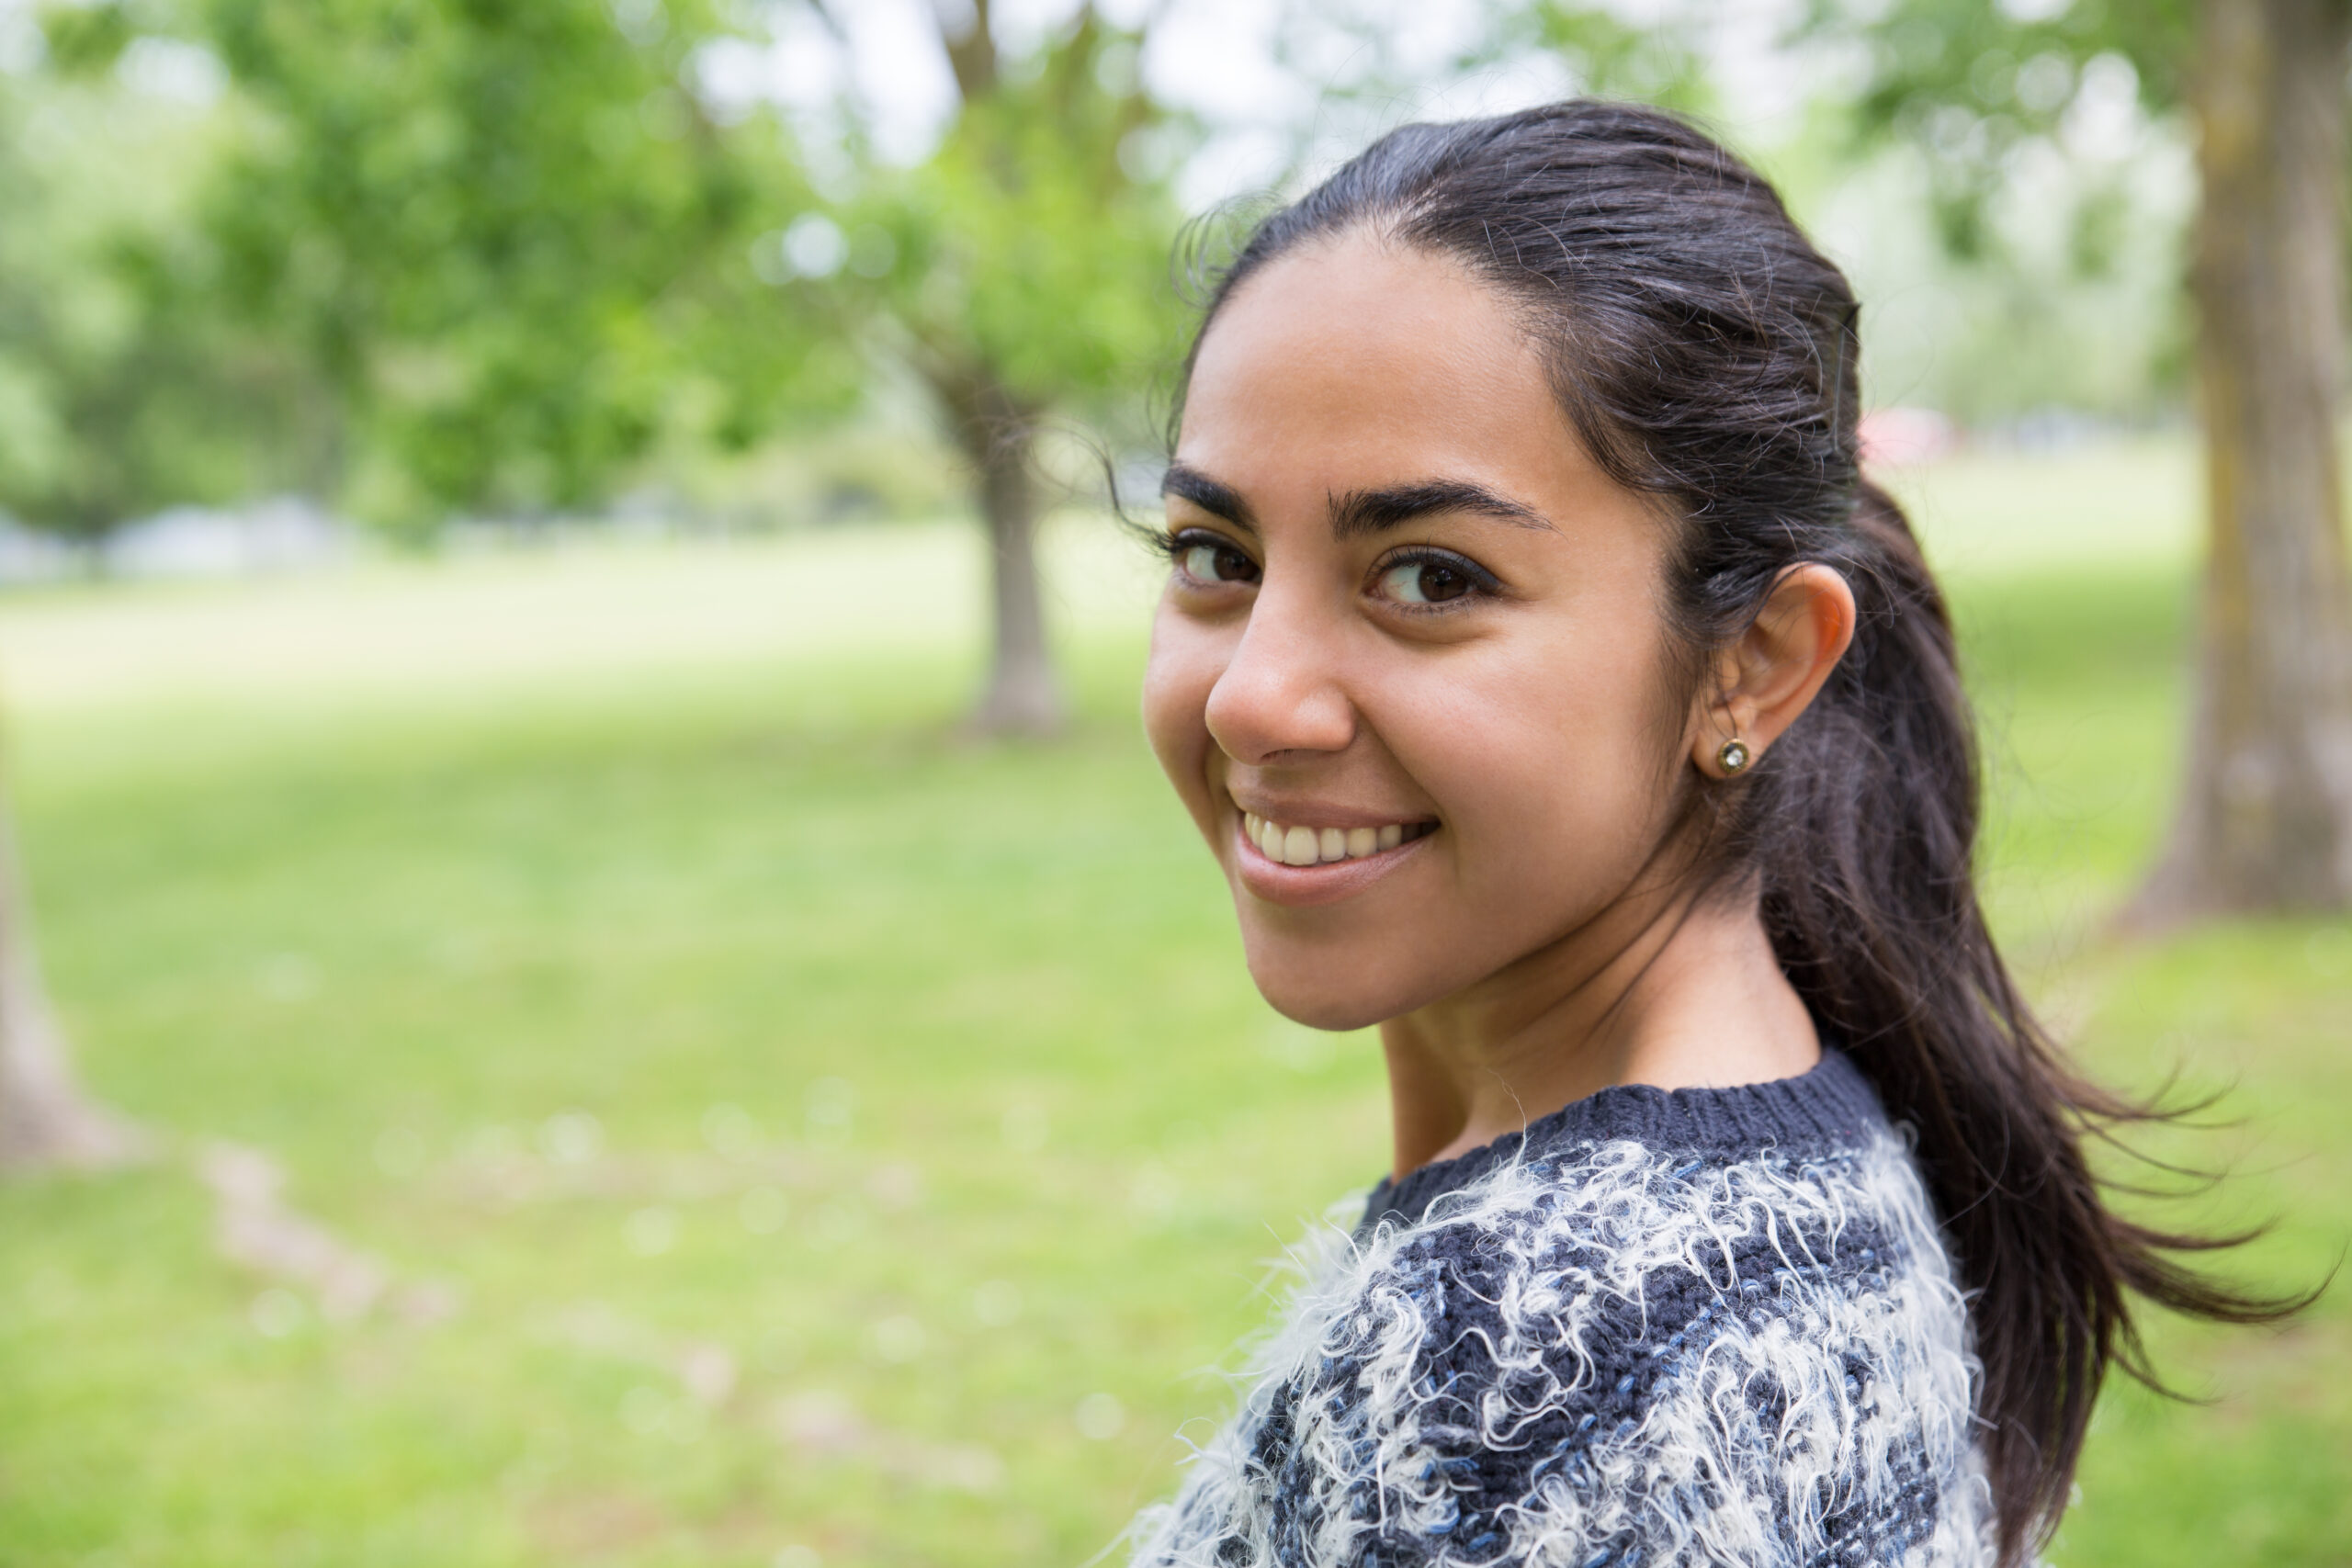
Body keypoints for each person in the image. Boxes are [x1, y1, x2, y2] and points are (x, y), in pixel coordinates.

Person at [1125, 101, 2292, 1568]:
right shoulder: (1812, 1159)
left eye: (1429, 576)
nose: (1252, 698)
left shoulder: (1514, 1355)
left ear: (1752, 660)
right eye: (1212, 556)